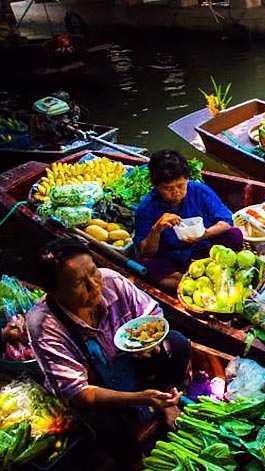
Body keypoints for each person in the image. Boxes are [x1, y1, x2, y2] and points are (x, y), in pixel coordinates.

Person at [26, 238, 191, 468]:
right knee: (106, 423)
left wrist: (151, 344)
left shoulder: (112, 281)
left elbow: (152, 314)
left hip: (130, 364)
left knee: (177, 343)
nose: (95, 285)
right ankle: (134, 461)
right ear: (54, 292)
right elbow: (81, 393)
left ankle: (167, 402)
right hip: (96, 390)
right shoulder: (44, 325)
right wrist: (140, 398)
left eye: (94, 272)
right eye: (79, 284)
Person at [134, 150, 243, 292]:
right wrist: (156, 230)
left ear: (187, 179)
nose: (176, 192)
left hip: (207, 251)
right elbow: (145, 252)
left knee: (234, 235)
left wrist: (206, 234)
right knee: (147, 266)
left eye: (180, 185)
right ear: (156, 186)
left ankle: (203, 279)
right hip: (174, 259)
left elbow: (226, 221)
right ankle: (198, 284)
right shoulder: (146, 207)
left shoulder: (199, 191)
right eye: (168, 188)